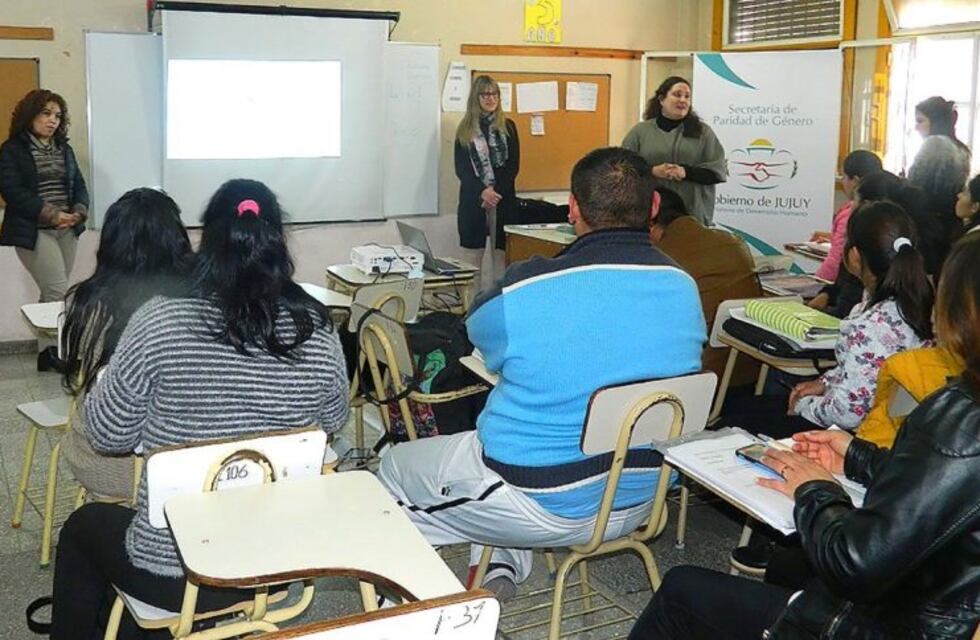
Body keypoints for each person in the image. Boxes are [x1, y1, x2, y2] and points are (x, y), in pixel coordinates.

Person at [379, 147, 705, 599]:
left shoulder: (526, 287)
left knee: (392, 469)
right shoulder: (684, 286)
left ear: (572, 208)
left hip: (540, 499)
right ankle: (500, 570)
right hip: (643, 496)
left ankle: (442, 616)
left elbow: (477, 336)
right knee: (492, 447)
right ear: (653, 207)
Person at [628, 232, 980, 640]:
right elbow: (948, 494)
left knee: (682, 591)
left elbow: (854, 563)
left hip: (888, 622)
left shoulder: (959, 417)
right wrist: (856, 457)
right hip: (933, 611)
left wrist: (815, 490)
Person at [49, 179, 350, 639]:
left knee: (83, 526)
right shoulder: (316, 327)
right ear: (277, 240)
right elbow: (334, 420)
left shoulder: (160, 319)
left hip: (175, 572)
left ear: (205, 240)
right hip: (276, 565)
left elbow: (108, 436)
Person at [60, 188, 194, 501]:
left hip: (104, 465)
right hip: (188, 466)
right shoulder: (201, 298)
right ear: (177, 237)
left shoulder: (89, 300)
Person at [649, 186, 760, 386]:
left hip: (692, 384)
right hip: (749, 374)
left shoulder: (663, 260)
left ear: (651, 224)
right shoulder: (732, 241)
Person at [0, 90, 89, 302]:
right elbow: (12, 191)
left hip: (67, 229)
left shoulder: (64, 149)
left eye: (57, 116)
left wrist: (78, 212)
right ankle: (55, 337)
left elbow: (78, 184)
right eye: (46, 113)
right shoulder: (12, 150)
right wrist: (51, 215)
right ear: (30, 115)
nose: (52, 120)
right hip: (34, 230)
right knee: (57, 293)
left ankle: (46, 336)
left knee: (53, 293)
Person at [622, 76, 727, 225]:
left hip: (691, 214)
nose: (683, 100)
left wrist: (685, 172)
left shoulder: (703, 132)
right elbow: (623, 169)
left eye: (687, 97)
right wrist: (651, 171)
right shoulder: (640, 131)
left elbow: (716, 173)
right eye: (677, 95)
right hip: (649, 213)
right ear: (661, 99)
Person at [455, 75, 520, 287]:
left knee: (501, 258)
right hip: (474, 201)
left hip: (502, 200)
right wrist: (483, 192)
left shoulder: (508, 127)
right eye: (485, 94)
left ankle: (498, 310)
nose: (490, 99)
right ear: (476, 98)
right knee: (471, 260)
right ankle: (473, 310)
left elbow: (513, 166)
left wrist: (494, 193)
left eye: (494, 94)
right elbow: (462, 169)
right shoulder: (464, 130)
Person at [811, 150, 882, 282]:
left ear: (855, 181)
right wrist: (833, 238)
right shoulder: (882, 209)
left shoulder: (852, 213)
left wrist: (814, 283)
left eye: (843, 177)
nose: (842, 182)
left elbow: (835, 261)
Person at [907, 96, 971, 239]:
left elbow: (916, 186)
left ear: (935, 121)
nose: (916, 127)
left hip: (929, 221)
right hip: (951, 222)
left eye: (920, 121)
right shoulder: (960, 147)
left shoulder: (934, 144)